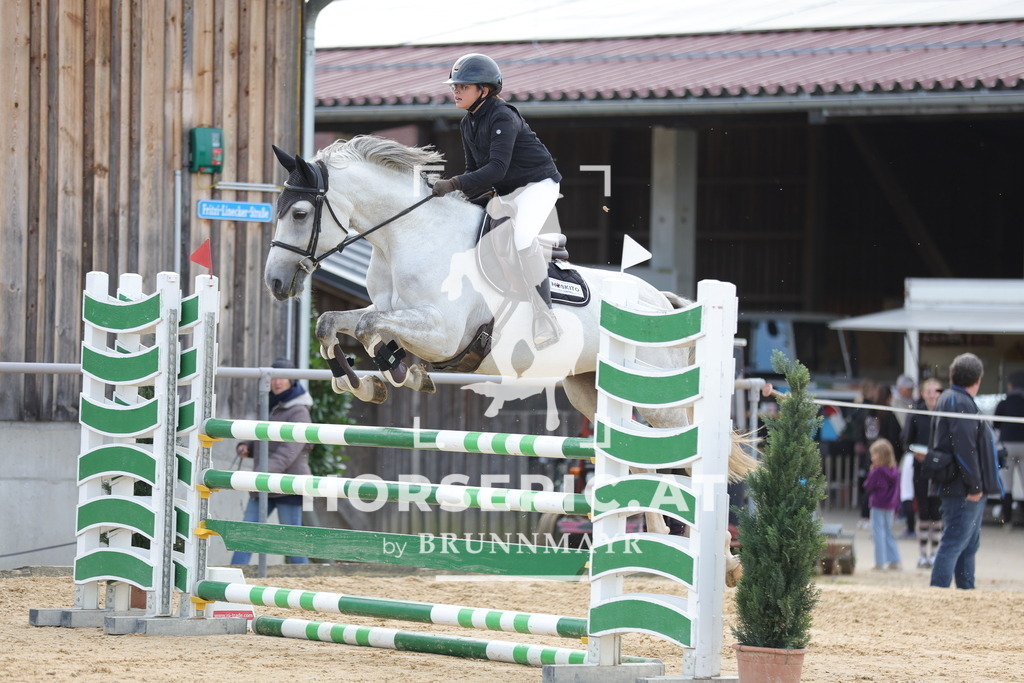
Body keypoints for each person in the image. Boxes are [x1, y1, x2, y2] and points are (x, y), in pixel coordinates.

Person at [432, 53, 563, 349]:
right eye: (455, 86)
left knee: (521, 239)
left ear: (484, 90)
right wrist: (453, 197)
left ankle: (546, 316)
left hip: (536, 186)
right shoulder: (468, 123)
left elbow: (496, 169)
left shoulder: (502, 115)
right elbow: (473, 172)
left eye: (463, 87)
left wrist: (453, 184)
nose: (455, 91)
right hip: (505, 190)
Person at [917, 353, 1003, 589]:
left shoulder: (955, 399)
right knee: (954, 542)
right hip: (961, 488)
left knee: (967, 545)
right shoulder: (958, 401)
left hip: (960, 485)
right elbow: (965, 448)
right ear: (978, 379)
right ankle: (939, 593)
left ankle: (966, 592)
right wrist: (975, 486)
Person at [231, 358, 313, 565]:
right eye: (274, 377)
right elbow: (264, 436)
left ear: (292, 381)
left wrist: (261, 473)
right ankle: (232, 575)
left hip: (287, 484)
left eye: (283, 378)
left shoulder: (299, 412)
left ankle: (306, 582)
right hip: (264, 481)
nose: (277, 382)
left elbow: (288, 452)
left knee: (291, 543)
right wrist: (248, 446)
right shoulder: (270, 404)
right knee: (246, 535)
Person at [901, 377, 944, 566]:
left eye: (936, 391)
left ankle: (934, 553)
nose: (932, 395)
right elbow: (905, 441)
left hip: (940, 469)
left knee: (937, 512)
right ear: (922, 393)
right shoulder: (916, 413)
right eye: (929, 391)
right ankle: (922, 554)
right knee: (924, 511)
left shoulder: (945, 414)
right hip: (920, 468)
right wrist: (913, 451)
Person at [864, 438, 902, 570]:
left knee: (878, 532)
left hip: (877, 505)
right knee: (888, 531)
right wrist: (897, 506)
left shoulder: (877, 471)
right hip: (890, 506)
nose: (872, 457)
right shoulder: (895, 471)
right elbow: (897, 490)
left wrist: (871, 472)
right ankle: (895, 560)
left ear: (880, 456)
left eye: (874, 454)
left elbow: (868, 486)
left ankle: (880, 562)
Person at [995, 371, 1024, 526]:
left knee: (1006, 485)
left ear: (1011, 385)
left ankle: (1007, 520)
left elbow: (996, 425)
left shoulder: (1004, 402)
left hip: (1007, 447)